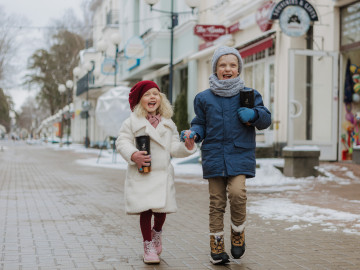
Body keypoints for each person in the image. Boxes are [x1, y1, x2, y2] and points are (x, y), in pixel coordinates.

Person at [181, 46, 271, 265]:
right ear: (215, 69)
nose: (227, 68)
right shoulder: (203, 98)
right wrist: (193, 133)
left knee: (238, 194)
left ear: (238, 69)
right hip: (213, 156)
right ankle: (217, 246)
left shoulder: (249, 95)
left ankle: (238, 234)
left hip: (240, 154)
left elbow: (266, 119)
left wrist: (255, 114)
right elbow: (200, 124)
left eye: (232, 65)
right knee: (216, 202)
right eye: (222, 65)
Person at [116, 80, 196, 265]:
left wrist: (187, 146)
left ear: (161, 99)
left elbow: (174, 146)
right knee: (146, 209)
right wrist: (133, 154)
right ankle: (147, 245)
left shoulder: (168, 123)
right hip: (142, 173)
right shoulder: (131, 123)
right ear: (139, 101)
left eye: (155, 93)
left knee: (161, 210)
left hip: (162, 173)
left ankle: (157, 232)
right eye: (147, 94)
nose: (152, 97)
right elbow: (122, 142)